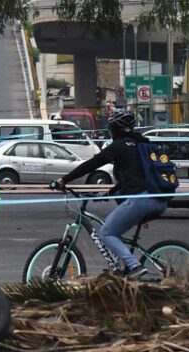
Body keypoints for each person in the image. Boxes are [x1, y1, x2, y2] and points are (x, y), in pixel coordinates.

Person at [52, 111, 168, 280]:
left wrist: (64, 180)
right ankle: (121, 270)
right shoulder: (140, 144)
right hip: (159, 199)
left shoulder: (119, 146)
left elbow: (92, 164)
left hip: (141, 199)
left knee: (107, 232)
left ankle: (134, 266)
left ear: (114, 130)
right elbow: (132, 177)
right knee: (116, 231)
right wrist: (110, 192)